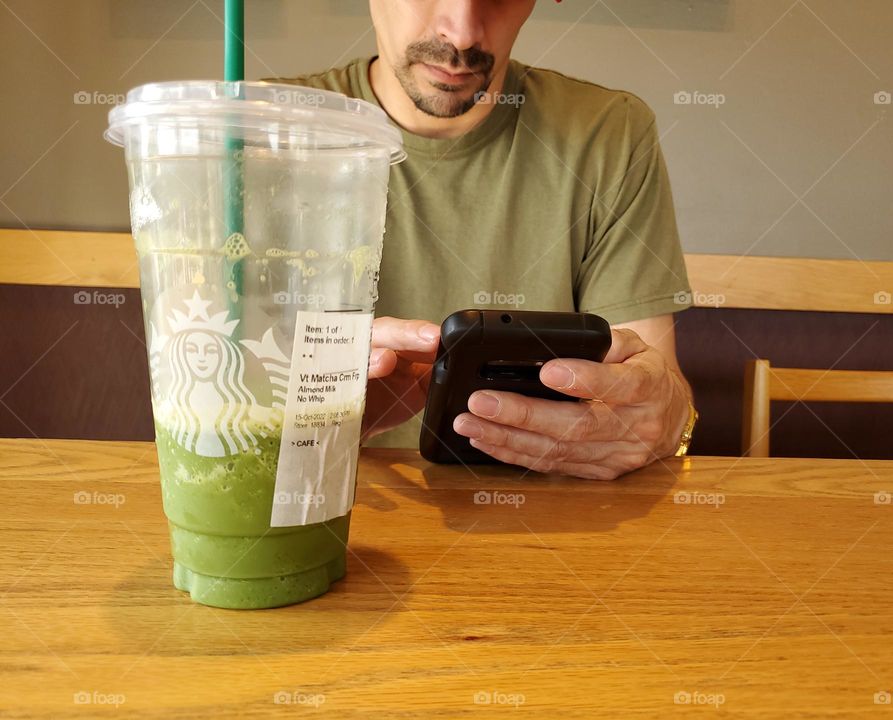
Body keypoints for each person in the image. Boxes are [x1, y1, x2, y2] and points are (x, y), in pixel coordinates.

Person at [271, 0, 697, 479]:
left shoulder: (610, 133)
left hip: (555, 523)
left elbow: (655, 380)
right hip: (309, 516)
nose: (462, 34)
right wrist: (304, 417)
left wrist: (666, 420)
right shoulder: (252, 131)